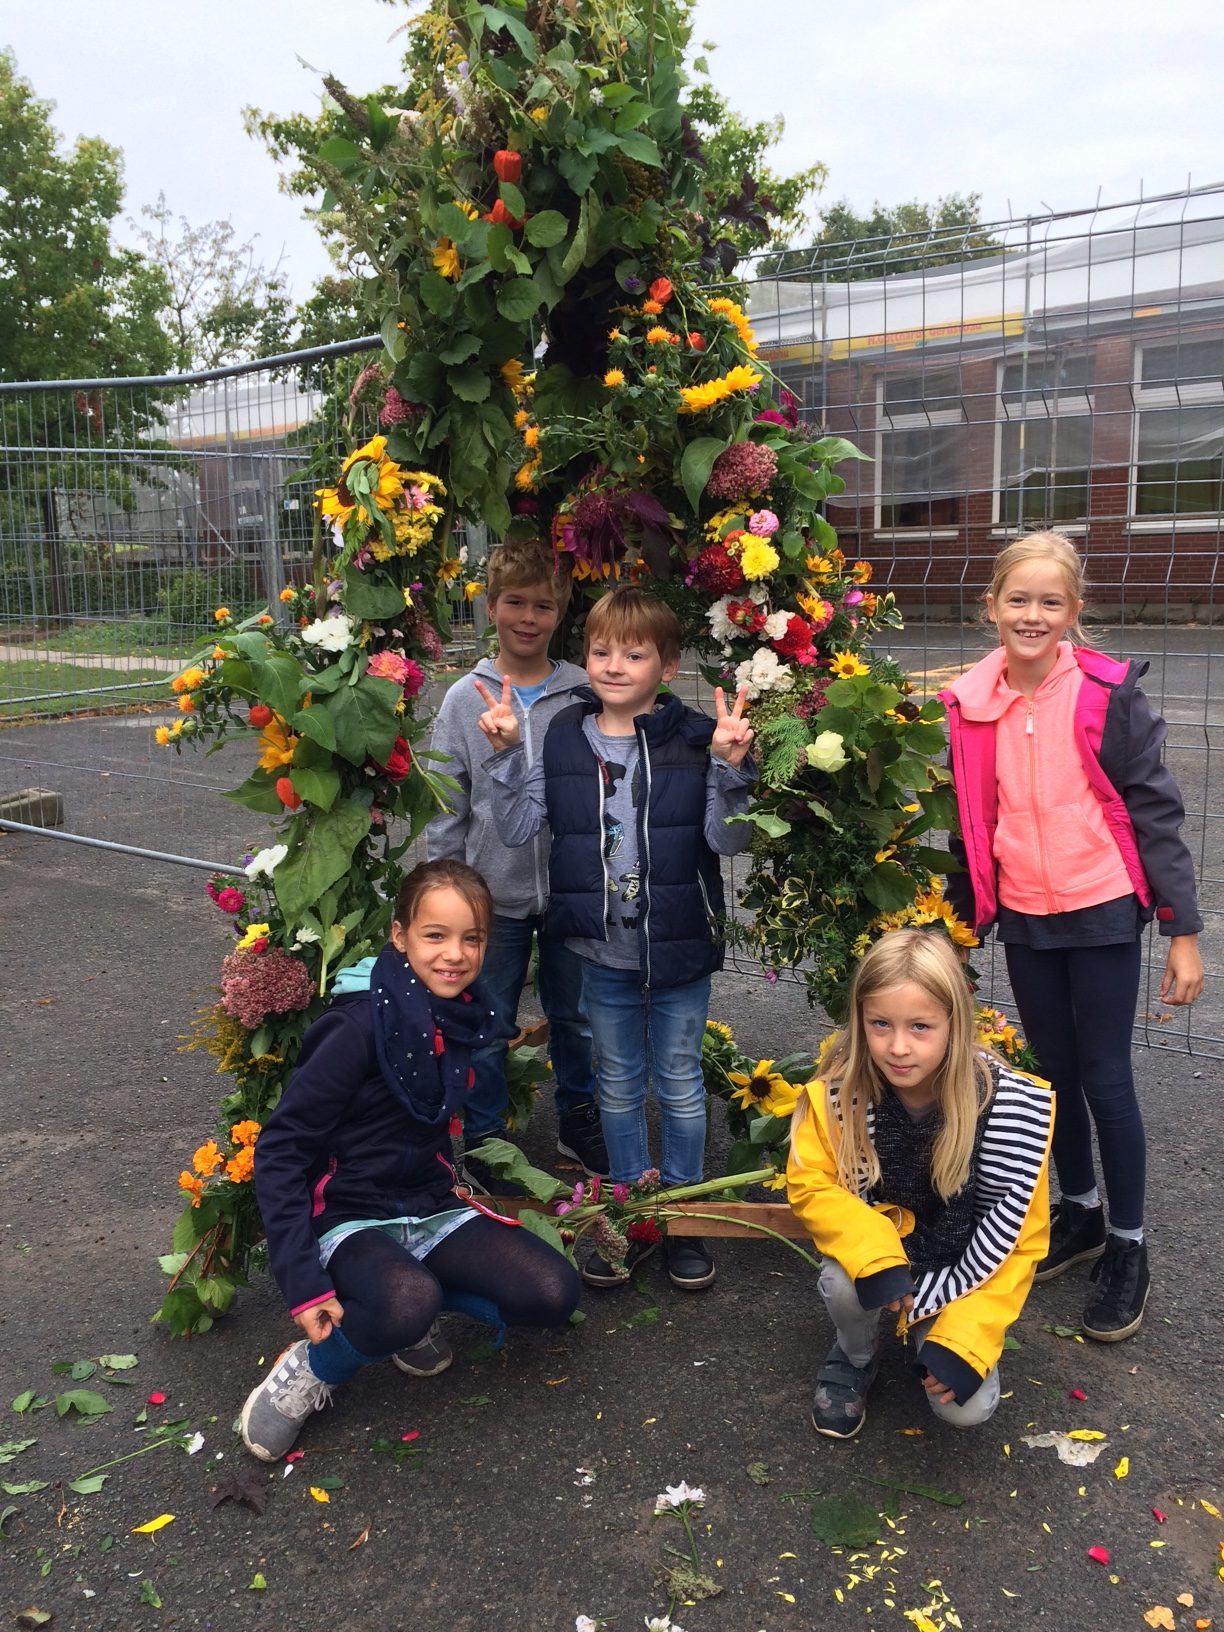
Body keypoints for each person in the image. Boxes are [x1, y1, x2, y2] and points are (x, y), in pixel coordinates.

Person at [939, 531, 1203, 1342]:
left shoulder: (1105, 695)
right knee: (1051, 1076)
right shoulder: (970, 703)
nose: (1032, 614)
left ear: (1074, 611)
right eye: (1018, 599)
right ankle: (1080, 1212)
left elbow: (1154, 810)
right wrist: (959, 924)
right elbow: (969, 821)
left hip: (1100, 905)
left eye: (1050, 602)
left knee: (1105, 1076)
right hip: (1025, 912)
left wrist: (1182, 931)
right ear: (991, 607)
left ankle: (1129, 1244)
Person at [239, 859, 580, 1462]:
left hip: (427, 1204)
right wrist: (303, 1283)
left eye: (472, 938)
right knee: (403, 1300)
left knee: (553, 1292)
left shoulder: (461, 1015)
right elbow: (281, 1149)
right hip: (345, 1213)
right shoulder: (355, 1027)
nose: (455, 954)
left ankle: (405, 1301)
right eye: (435, 935)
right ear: (400, 936)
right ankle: (316, 1366)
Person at [475, 585, 755, 1292]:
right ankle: (631, 1213)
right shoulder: (564, 734)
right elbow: (517, 827)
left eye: (634, 654)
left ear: (668, 664)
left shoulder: (695, 737)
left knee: (681, 1085)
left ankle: (684, 1217)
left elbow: (728, 841)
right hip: (600, 953)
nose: (614, 665)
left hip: (679, 949)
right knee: (619, 1085)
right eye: (600, 651)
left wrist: (729, 768)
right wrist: (506, 755)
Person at [787, 928, 1054, 1439]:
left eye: (921, 1027)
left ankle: (941, 1332)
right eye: (880, 1024)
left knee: (967, 1410)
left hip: (961, 1270)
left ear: (955, 1023)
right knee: (842, 1283)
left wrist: (967, 1339)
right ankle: (855, 1354)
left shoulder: (1009, 1109)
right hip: (876, 1256)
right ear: (860, 1020)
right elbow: (812, 1185)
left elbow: (1020, 1239)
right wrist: (876, 1255)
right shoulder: (839, 1096)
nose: (898, 1047)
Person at [427, 541, 607, 1185]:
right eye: (515, 602)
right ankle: (484, 1141)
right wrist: (446, 891)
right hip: (490, 896)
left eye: (543, 606)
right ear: (490, 606)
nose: (528, 618)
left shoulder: (583, 691)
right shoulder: (463, 699)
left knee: (577, 1017)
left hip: (571, 891)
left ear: (561, 613)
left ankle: (579, 1123)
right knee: (486, 1020)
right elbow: (447, 804)